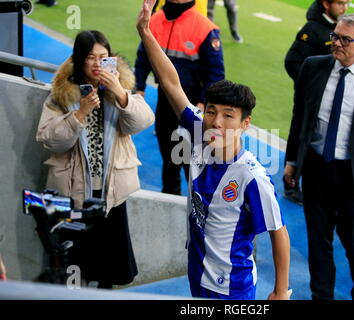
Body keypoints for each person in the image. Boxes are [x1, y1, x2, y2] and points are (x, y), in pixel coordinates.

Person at [137, 0, 291, 300]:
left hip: (231, 287)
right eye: (211, 111)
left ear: (245, 123)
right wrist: (145, 30)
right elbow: (170, 83)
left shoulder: (252, 178)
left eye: (228, 115)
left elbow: (278, 232)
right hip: (197, 272)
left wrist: (281, 290)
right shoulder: (199, 131)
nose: (216, 122)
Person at [284, 14, 354, 300]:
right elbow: (299, 118)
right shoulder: (313, 67)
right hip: (316, 168)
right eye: (335, 36)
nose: (337, 43)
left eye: (345, 39)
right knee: (318, 240)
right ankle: (320, 296)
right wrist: (292, 161)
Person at [36, 30, 154, 289]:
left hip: (110, 194)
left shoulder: (119, 90)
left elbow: (143, 121)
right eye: (91, 57)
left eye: (104, 57)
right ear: (79, 60)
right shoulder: (62, 95)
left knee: (109, 272)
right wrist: (80, 114)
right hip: (74, 193)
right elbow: (49, 139)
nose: (98, 63)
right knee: (74, 270)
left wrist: (121, 95)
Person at [134, 0, 225, 196]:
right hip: (164, 101)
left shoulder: (205, 28)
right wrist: (139, 87)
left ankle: (200, 205)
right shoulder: (155, 20)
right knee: (169, 157)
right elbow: (143, 57)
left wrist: (203, 103)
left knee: (192, 161)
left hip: (193, 104)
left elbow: (215, 75)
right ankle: (169, 199)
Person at [283, 0, 349, 204]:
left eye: (348, 2)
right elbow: (292, 61)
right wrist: (310, 87)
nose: (345, 7)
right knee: (299, 138)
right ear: (326, 3)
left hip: (328, 99)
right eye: (340, 2)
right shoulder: (312, 29)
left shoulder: (335, 28)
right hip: (308, 101)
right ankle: (291, 185)